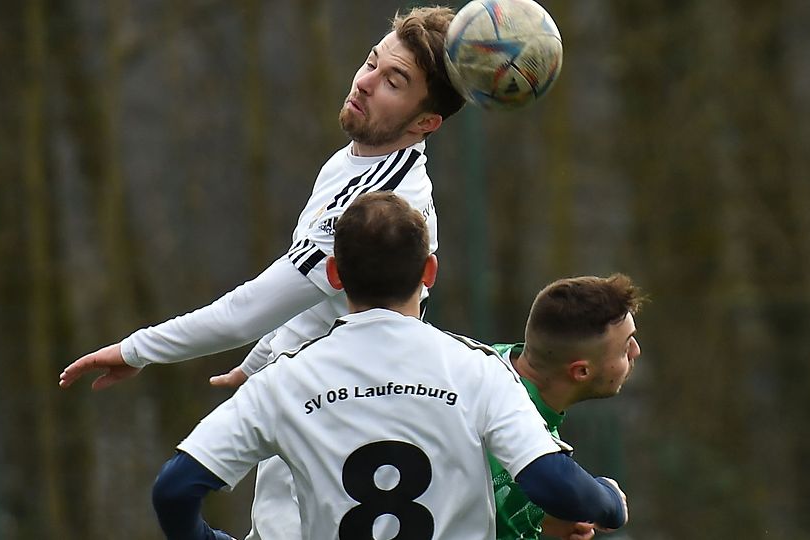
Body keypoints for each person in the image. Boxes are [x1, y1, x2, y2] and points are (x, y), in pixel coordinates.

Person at [59, 6, 464, 539]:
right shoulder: (356, 162)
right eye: (371, 62)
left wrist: (136, 349)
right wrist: (261, 360)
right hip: (320, 408)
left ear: (425, 122)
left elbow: (245, 312)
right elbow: (313, 298)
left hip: (335, 424)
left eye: (394, 82)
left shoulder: (377, 203)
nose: (365, 82)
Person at [150, 192, 628, 540]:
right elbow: (556, 487)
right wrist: (609, 501)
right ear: (429, 272)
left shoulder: (283, 380)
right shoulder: (479, 371)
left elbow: (174, 490)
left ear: (334, 275)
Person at [489, 274, 643, 540]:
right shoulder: (500, 407)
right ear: (581, 371)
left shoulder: (494, 364)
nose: (636, 351)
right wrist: (607, 499)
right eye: (624, 347)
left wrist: (539, 519)